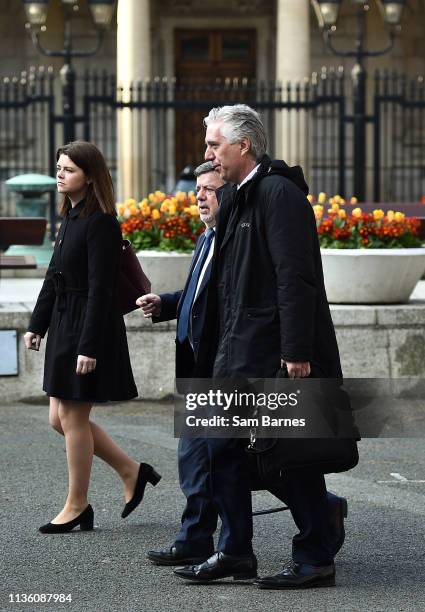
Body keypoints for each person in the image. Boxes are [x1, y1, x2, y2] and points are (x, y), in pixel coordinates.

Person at [172, 105, 357, 587]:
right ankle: (235, 552)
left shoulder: (278, 194)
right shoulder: (238, 196)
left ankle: (316, 554)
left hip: (274, 353)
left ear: (243, 146)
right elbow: (229, 282)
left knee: (289, 456)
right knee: (222, 450)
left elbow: (294, 280)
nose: (208, 152)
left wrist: (297, 352)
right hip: (237, 351)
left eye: (214, 144)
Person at [138, 161, 347, 569]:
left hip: (237, 363)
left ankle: (318, 517)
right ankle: (200, 538)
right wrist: (167, 303)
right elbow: (205, 294)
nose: (200, 195)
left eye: (210, 189)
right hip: (207, 366)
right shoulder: (208, 239)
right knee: (201, 460)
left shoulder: (258, 215)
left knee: (264, 460)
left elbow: (290, 282)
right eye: (197, 188)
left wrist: (294, 351)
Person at [24, 141, 160, 534]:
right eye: (58, 166)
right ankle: (131, 470)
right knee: (59, 419)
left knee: (72, 416)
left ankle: (77, 505)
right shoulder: (70, 217)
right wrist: (37, 324)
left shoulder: (101, 221)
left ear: (89, 175)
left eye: (68, 169)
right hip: (65, 321)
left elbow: (101, 289)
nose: (60, 174)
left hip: (87, 324)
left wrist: (89, 347)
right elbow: (54, 276)